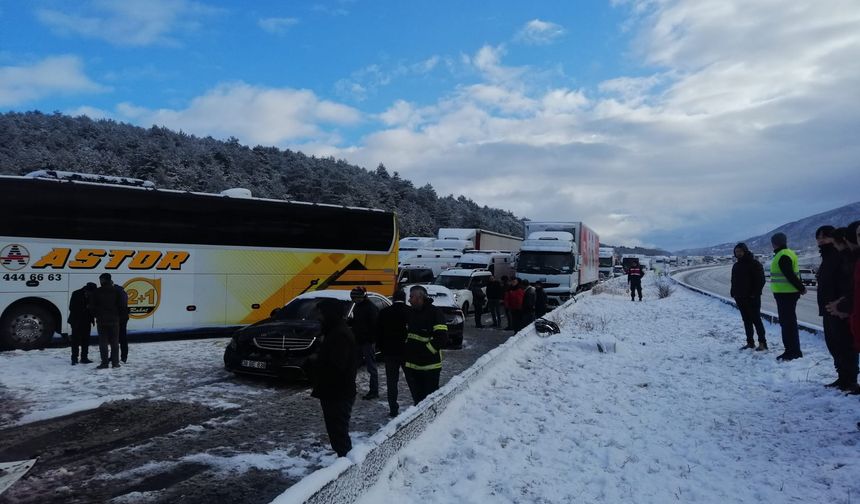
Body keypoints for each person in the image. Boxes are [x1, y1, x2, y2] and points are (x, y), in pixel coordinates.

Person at [306, 298, 357, 457]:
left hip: (338, 393)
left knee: (339, 435)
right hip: (336, 392)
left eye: (321, 313)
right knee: (337, 433)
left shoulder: (339, 334)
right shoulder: (335, 331)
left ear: (330, 314)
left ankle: (349, 468)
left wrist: (315, 363)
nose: (318, 316)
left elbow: (337, 366)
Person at [404, 285, 448, 404]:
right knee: (418, 402)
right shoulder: (411, 313)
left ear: (419, 298)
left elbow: (442, 338)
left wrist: (423, 352)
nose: (409, 300)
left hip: (429, 368)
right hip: (413, 367)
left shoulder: (435, 313)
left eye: (411, 297)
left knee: (429, 402)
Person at [770, 232, 807, 361]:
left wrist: (801, 288)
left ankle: (792, 351)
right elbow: (795, 273)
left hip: (786, 294)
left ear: (774, 243)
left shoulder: (782, 255)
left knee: (787, 324)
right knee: (789, 322)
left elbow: (790, 275)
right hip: (787, 294)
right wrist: (800, 287)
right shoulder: (789, 253)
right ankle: (793, 350)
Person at [377, 289, 409, 417]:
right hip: (407, 352)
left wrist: (383, 350)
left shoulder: (384, 312)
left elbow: (378, 333)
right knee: (412, 379)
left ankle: (393, 409)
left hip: (390, 352)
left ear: (393, 299)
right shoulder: (410, 312)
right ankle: (418, 404)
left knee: (391, 382)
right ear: (405, 298)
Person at [730, 243, 767, 350]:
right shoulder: (736, 265)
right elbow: (734, 280)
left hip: (752, 298)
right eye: (736, 252)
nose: (738, 253)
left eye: (740, 251)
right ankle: (750, 342)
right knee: (746, 321)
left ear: (745, 251)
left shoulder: (754, 263)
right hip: (740, 297)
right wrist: (733, 292)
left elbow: (761, 281)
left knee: (756, 320)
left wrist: (754, 294)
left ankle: (762, 343)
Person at [88, 273, 125, 369]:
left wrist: (96, 315)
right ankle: (115, 363)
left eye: (100, 279)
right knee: (115, 342)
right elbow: (122, 305)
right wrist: (118, 316)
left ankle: (104, 363)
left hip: (101, 320)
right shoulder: (117, 291)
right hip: (114, 320)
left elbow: (91, 307)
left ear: (103, 280)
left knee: (103, 342)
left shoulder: (97, 292)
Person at [350, 287, 379, 400]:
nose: (353, 300)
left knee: (371, 367)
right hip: (360, 340)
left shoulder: (370, 308)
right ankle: (353, 389)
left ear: (360, 297)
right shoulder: (359, 306)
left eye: (354, 298)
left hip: (366, 341)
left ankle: (374, 391)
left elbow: (374, 326)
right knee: (355, 365)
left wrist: (369, 339)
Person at [68, 282, 96, 365]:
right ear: (86, 290)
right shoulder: (76, 293)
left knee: (86, 340)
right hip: (76, 320)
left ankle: (84, 357)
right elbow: (71, 307)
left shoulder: (93, 295)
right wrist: (85, 307)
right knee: (75, 340)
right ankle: (74, 358)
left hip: (87, 320)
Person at [115, 282, 130, 363]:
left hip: (118, 318)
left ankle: (115, 356)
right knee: (123, 338)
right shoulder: (123, 292)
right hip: (124, 317)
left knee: (115, 338)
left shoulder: (116, 293)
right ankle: (124, 357)